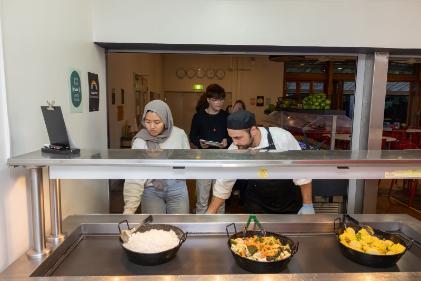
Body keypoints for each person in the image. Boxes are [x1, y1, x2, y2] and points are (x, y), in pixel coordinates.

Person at [206, 110, 315, 215]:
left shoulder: (282, 137)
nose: (235, 142)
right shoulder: (235, 149)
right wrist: (209, 213)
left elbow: (302, 173)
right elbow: (223, 185)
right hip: (257, 205)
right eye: (232, 138)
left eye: (238, 137)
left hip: (287, 203)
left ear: (253, 131)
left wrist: (308, 204)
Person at [123, 100, 190, 214]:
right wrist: (129, 209)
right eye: (147, 122)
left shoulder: (179, 135)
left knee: (180, 225)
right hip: (151, 189)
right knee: (154, 228)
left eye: (157, 122)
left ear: (166, 120)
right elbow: (134, 176)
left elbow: (188, 161)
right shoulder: (140, 141)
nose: (152, 127)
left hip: (177, 187)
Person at [189, 83, 231, 214]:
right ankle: (200, 228)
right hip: (203, 161)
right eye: (216, 99)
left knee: (220, 199)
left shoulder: (226, 116)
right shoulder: (199, 116)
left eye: (222, 99)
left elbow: (232, 136)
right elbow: (192, 136)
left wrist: (227, 141)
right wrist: (200, 143)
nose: (220, 102)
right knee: (202, 200)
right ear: (208, 100)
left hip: (222, 161)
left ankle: (220, 228)